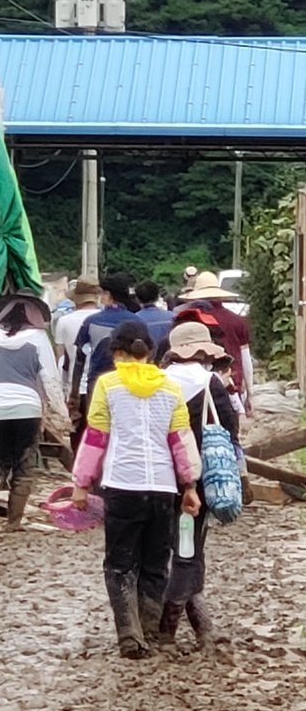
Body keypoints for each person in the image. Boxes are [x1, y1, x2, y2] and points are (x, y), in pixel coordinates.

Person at [72, 319, 201, 659]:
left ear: (117, 352)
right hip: (162, 488)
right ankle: (150, 628)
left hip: (122, 485)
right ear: (149, 351)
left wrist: (81, 484)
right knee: (156, 563)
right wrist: (189, 485)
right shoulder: (170, 387)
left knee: (119, 564)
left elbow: (96, 437)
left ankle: (129, 634)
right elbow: (180, 442)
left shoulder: (108, 385)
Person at [160, 321, 239, 651]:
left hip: (162, 475)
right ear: (204, 351)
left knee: (178, 546)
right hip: (199, 475)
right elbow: (230, 431)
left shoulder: (158, 381)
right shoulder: (209, 382)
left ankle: (202, 625)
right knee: (190, 549)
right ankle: (167, 627)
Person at [0, 291, 69, 529]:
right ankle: (13, 521)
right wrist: (62, 412)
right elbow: (50, 378)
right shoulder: (37, 337)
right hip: (27, 406)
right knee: (24, 465)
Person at [174, 271, 254, 412]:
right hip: (230, 385)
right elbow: (246, 358)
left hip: (192, 390)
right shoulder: (236, 320)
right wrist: (250, 394)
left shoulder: (186, 320)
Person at [68, 272, 138, 413]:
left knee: (97, 429)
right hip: (129, 385)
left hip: (97, 385)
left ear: (108, 295)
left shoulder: (92, 322)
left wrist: (74, 392)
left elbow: (80, 359)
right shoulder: (137, 322)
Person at [53, 277, 100, 450]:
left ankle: (77, 471)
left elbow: (61, 358)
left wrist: (62, 390)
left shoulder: (64, 321)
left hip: (76, 387)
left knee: (77, 434)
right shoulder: (102, 319)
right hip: (101, 384)